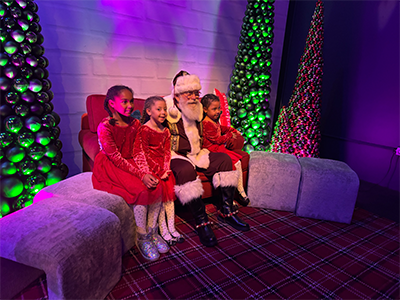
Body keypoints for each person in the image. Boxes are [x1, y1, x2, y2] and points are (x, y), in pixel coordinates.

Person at [165, 73, 250, 248]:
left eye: (195, 92)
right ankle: (202, 221)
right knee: (185, 170)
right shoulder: (165, 107)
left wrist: (228, 134)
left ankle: (226, 210)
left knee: (224, 159)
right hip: (176, 155)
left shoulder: (196, 108)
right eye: (189, 92)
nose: (194, 96)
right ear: (177, 91)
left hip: (197, 153)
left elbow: (212, 127)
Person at [92, 85, 169, 262]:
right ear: (112, 104)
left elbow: (138, 152)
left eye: (131, 101)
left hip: (131, 162)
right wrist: (140, 176)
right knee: (141, 190)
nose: (130, 105)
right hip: (112, 165)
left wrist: (146, 171)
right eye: (124, 102)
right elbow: (116, 157)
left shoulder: (135, 124)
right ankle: (141, 236)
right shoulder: (105, 127)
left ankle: (152, 231)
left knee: (157, 185)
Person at [135, 96, 184, 246]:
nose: (163, 112)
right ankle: (162, 230)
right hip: (152, 171)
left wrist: (166, 168)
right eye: (159, 109)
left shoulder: (166, 131)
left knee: (169, 201)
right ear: (149, 111)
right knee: (160, 202)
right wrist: (158, 171)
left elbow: (167, 152)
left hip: (164, 169)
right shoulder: (144, 130)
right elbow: (144, 153)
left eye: (165, 109)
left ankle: (171, 227)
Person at [201, 93, 250, 206]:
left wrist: (232, 131)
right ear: (205, 109)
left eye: (219, 108)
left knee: (238, 161)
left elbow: (222, 128)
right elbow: (217, 139)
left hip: (220, 148)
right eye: (214, 109)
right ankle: (235, 194)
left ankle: (240, 191)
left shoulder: (214, 121)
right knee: (233, 164)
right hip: (213, 150)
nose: (218, 111)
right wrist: (228, 136)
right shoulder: (206, 123)